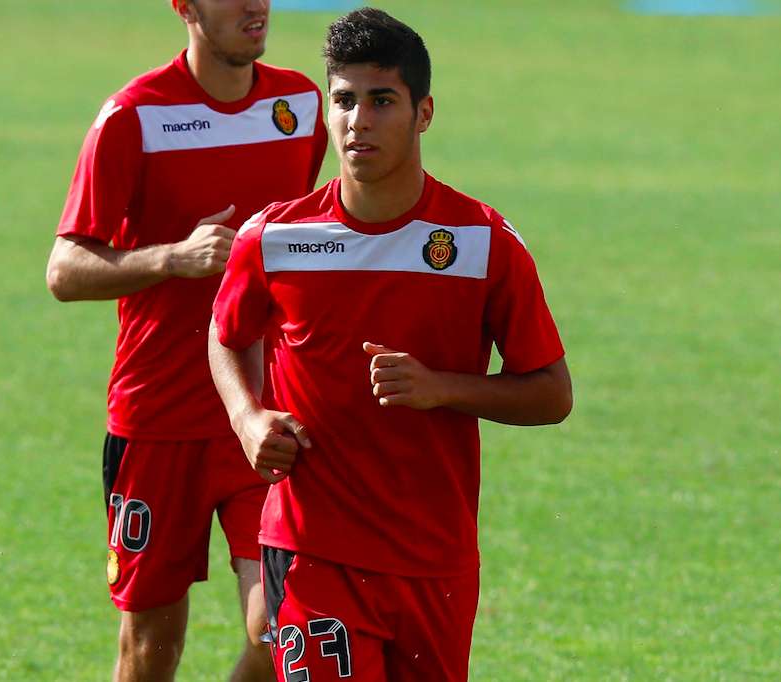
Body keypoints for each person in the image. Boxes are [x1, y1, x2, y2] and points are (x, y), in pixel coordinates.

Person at [208, 8, 573, 681]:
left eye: (382, 101)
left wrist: (444, 387)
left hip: (432, 560)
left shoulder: (481, 242)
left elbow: (551, 392)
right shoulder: (276, 238)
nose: (358, 121)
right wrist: (246, 417)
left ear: (423, 112)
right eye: (343, 100)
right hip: (312, 549)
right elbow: (226, 334)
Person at [46, 0, 327, 678]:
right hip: (158, 418)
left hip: (260, 417)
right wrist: (171, 257)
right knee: (151, 646)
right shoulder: (133, 117)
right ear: (185, 7)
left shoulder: (302, 105)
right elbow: (64, 270)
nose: (255, 6)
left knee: (285, 628)